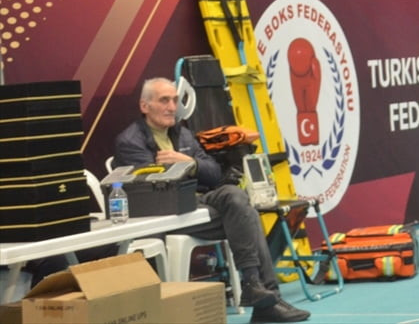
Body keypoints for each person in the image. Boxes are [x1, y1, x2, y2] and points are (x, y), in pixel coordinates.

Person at [113, 78, 310, 323]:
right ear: (145, 105)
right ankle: (263, 295)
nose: (172, 107)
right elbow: (156, 187)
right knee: (244, 213)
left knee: (235, 196)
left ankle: (256, 288)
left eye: (175, 100)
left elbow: (214, 173)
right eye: (164, 100)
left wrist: (189, 163)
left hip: (197, 202)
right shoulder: (130, 142)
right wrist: (185, 170)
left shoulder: (182, 134)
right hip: (166, 214)